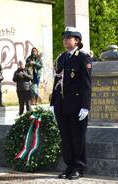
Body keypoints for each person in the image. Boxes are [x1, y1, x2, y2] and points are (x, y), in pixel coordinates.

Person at [50, 27, 92, 180]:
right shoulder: (61, 58)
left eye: (69, 37)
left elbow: (86, 84)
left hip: (76, 105)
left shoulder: (83, 58)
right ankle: (69, 166)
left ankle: (78, 168)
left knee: (77, 137)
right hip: (61, 104)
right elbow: (57, 80)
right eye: (64, 37)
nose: (65, 40)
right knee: (66, 137)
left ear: (77, 41)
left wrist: (85, 106)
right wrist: (53, 102)